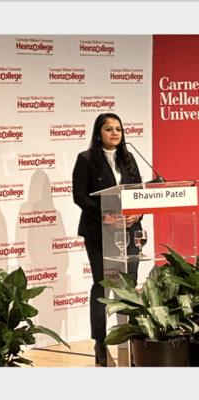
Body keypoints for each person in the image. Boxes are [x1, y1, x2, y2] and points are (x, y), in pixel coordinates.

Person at [72, 112, 142, 367]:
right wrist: (105, 217)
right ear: (98, 132)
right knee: (102, 287)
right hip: (100, 231)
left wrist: (138, 213)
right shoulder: (86, 159)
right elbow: (80, 197)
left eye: (118, 129)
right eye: (109, 129)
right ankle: (101, 343)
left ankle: (132, 341)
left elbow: (139, 192)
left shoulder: (129, 158)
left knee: (129, 287)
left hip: (130, 230)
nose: (115, 133)